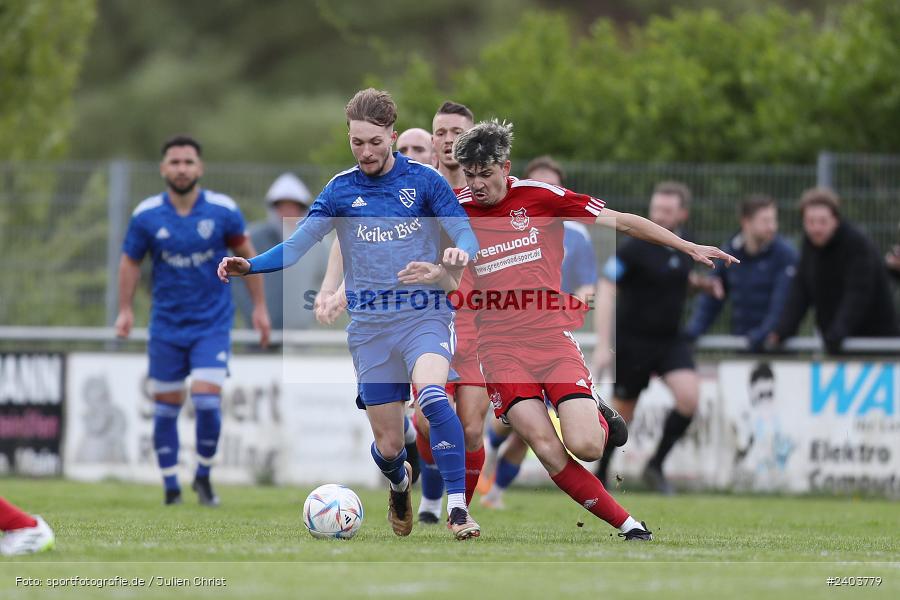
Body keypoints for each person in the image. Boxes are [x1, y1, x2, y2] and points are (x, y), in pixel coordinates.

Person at [400, 119, 737, 540]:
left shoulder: (540, 197)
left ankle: (593, 408)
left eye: (485, 174)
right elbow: (454, 285)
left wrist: (687, 247)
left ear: (506, 167)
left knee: (589, 445)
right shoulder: (458, 211)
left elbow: (624, 222)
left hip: (550, 340)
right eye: (470, 175)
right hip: (499, 350)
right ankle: (630, 526)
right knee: (543, 445)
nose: (477, 184)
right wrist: (438, 272)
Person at [218, 89, 483, 540]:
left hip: (424, 315)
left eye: (374, 142)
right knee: (390, 445)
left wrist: (455, 257)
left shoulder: (425, 182)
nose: (365, 152)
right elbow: (298, 245)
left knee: (435, 397)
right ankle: (400, 485)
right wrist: (251, 265)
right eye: (356, 142)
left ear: (392, 137)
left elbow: (464, 232)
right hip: (371, 330)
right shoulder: (341, 190)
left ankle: (458, 509)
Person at [116, 135, 271, 506]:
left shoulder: (222, 211)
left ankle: (202, 475)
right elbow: (130, 262)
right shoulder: (147, 215)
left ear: (199, 168)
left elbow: (247, 258)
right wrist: (125, 310)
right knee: (167, 404)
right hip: (167, 326)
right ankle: (171, 486)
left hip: (211, 325)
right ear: (163, 168)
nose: (182, 169)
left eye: (188, 162)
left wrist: (260, 308)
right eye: (175, 162)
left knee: (205, 400)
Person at [481, 154, 598, 510]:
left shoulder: (575, 232)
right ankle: (486, 474)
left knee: (529, 433)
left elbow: (587, 286)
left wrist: (571, 312)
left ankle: (495, 491)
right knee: (509, 425)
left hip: (551, 337)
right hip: (510, 340)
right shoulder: (500, 217)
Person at [592, 181, 717, 495]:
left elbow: (672, 278)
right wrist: (604, 342)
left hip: (670, 341)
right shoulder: (634, 248)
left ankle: (655, 465)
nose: (659, 215)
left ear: (682, 214)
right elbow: (607, 287)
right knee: (623, 415)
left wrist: (701, 285)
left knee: (689, 398)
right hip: (634, 341)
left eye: (667, 210)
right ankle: (600, 476)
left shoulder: (684, 248)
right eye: (656, 208)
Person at [770, 187, 899, 353]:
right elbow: (800, 292)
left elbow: (858, 294)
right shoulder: (809, 246)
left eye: (823, 221)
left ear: (836, 220)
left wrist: (838, 331)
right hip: (838, 344)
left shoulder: (857, 244)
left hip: (876, 344)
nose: (816, 228)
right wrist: (783, 330)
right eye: (810, 222)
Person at [685, 195, 797, 351]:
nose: (772, 227)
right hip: (743, 345)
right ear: (746, 222)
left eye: (774, 220)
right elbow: (712, 295)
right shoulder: (730, 251)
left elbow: (781, 302)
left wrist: (762, 334)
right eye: (765, 221)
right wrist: (693, 331)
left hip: (777, 348)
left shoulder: (785, 254)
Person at [234, 173, 330, 330]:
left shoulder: (318, 243)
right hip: (260, 330)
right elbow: (238, 280)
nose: (288, 212)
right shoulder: (254, 238)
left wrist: (311, 312)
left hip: (301, 331)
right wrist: (252, 311)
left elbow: (325, 278)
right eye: (282, 206)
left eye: (293, 206)